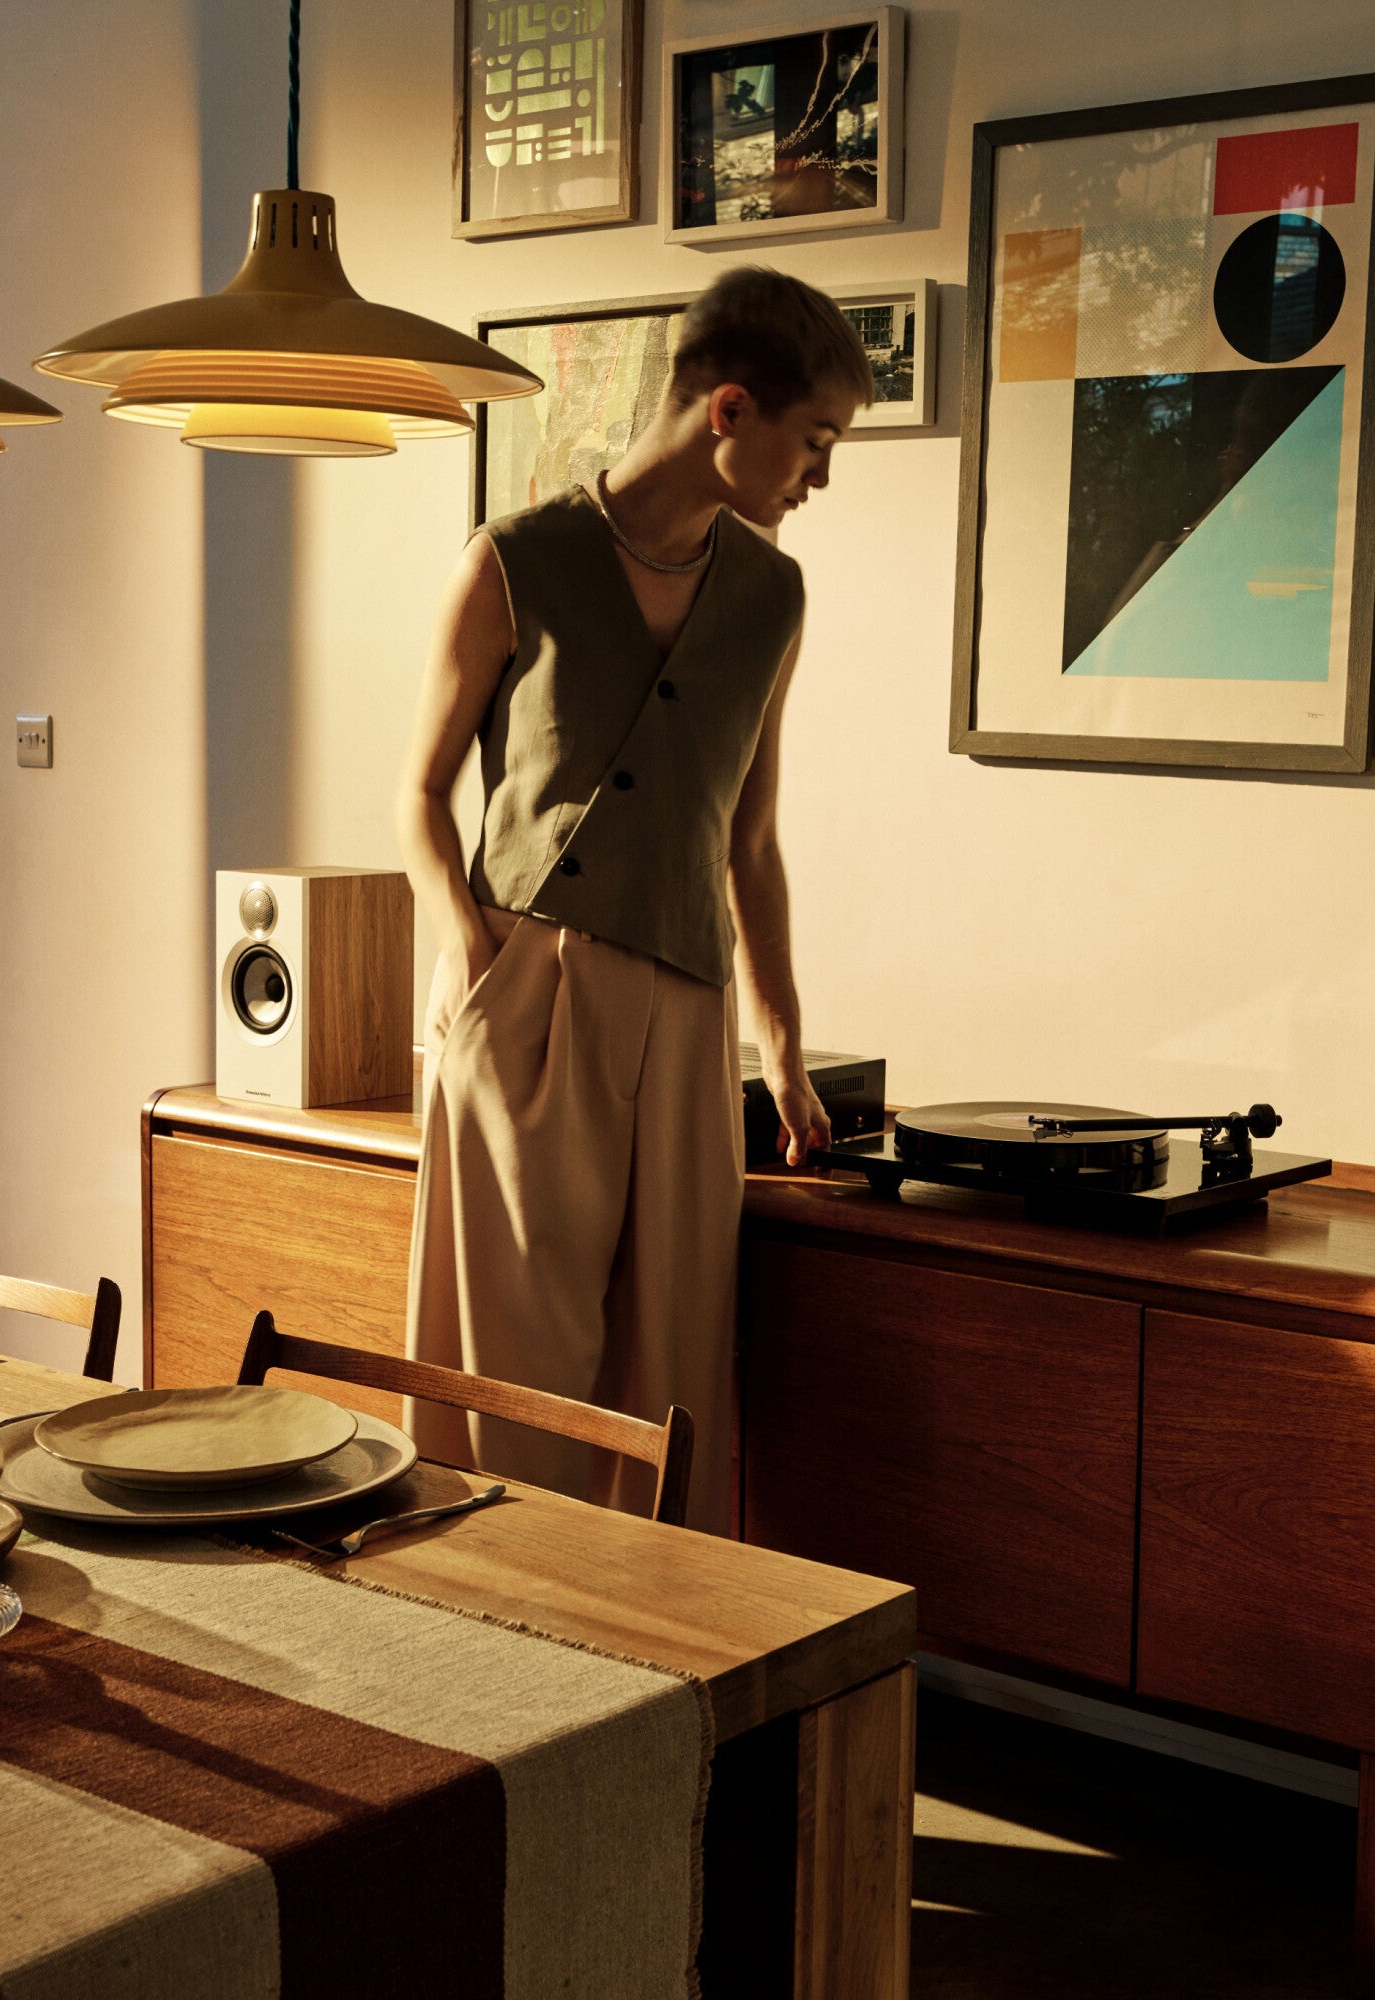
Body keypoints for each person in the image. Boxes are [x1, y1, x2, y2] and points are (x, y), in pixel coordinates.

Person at [395, 267, 871, 1534]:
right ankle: (485, 1646)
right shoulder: (514, 560)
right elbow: (419, 795)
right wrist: (472, 959)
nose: (818, 476)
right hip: (526, 998)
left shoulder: (772, 596)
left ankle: (649, 1685)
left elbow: (749, 840)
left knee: (670, 1375)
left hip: (688, 1009)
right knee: (513, 1370)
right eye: (813, 441)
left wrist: (782, 1049)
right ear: (728, 408)